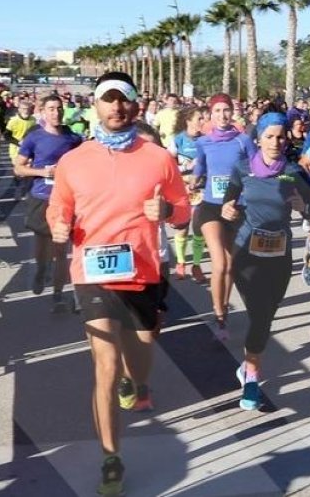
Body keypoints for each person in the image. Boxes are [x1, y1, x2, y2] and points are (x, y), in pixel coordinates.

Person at [46, 72, 191, 496]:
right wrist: (58, 225)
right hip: (92, 274)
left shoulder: (158, 158)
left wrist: (168, 212)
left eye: (123, 99)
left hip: (142, 272)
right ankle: (111, 458)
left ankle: (136, 382)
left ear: (135, 105)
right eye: (108, 99)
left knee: (139, 362)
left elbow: (184, 211)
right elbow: (59, 207)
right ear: (95, 106)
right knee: (105, 365)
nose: (116, 107)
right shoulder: (74, 160)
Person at [220, 112, 310, 411]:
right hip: (246, 252)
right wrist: (227, 211)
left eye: (280, 137)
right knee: (260, 314)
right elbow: (228, 203)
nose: (276, 142)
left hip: (279, 255)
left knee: (266, 314)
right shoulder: (242, 168)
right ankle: (252, 378)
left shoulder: (292, 172)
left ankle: (247, 366)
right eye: (269, 136)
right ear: (258, 139)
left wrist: (304, 207)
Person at [193, 94, 258, 339]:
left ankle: (223, 312)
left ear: (233, 112)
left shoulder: (243, 141)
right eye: (217, 111)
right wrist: (193, 181)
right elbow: (200, 167)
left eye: (226, 110)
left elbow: (255, 169)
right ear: (211, 114)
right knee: (219, 263)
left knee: (230, 265)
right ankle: (218, 314)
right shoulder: (203, 142)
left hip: (236, 208)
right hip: (210, 207)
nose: (222, 115)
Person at [14, 94, 82, 310]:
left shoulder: (73, 138)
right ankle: (42, 269)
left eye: (59, 108)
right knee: (43, 246)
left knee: (61, 250)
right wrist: (43, 172)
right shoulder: (34, 137)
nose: (56, 112)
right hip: (41, 197)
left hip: (66, 200)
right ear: (42, 112)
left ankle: (58, 294)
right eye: (51, 108)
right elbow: (18, 168)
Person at [169, 106, 208, 283]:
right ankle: (181, 263)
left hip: (201, 190)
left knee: (199, 229)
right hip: (182, 191)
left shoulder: (206, 140)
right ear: (188, 120)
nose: (202, 121)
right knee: (182, 230)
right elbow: (168, 166)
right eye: (199, 118)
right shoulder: (177, 140)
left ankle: (197, 266)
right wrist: (186, 166)